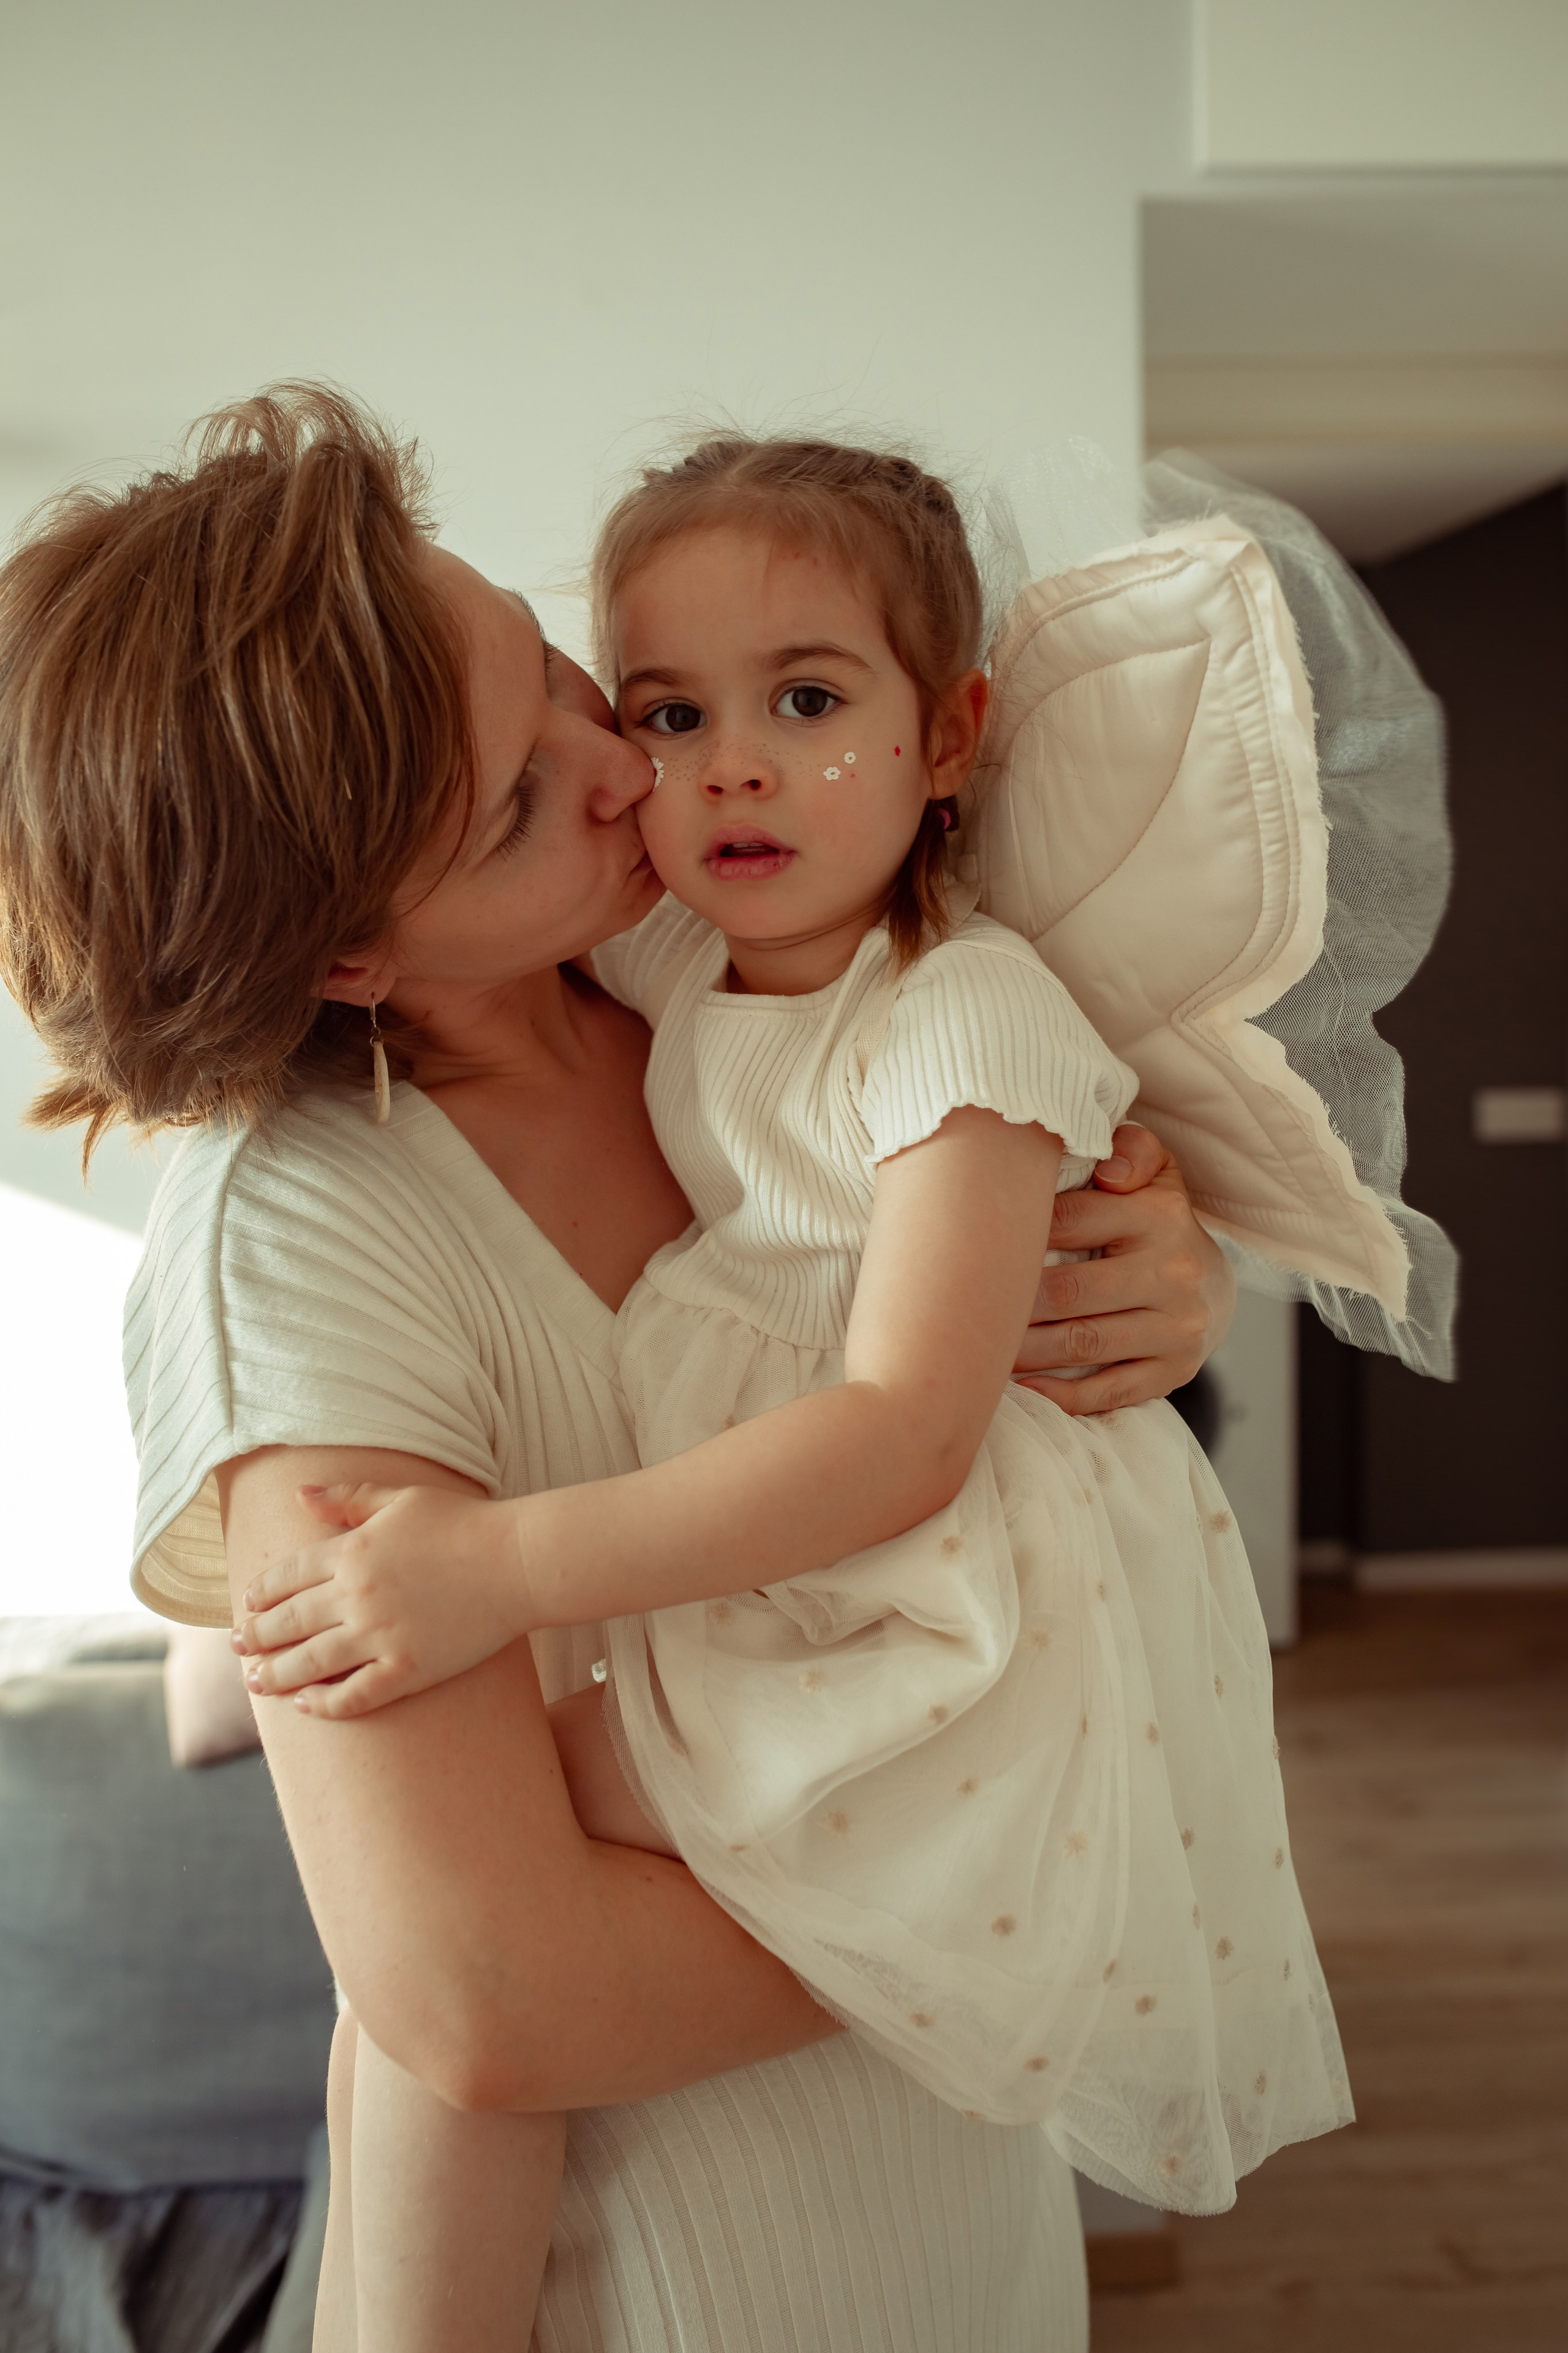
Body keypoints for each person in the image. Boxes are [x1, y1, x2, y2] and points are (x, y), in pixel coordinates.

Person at [0, 387, 1236, 2353]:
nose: (624, 768)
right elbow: (490, 1999)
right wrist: (1034, 1885)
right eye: (514, 800)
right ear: (349, 955)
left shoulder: (708, 978)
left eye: (560, 668)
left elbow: (954, 1277)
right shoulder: (302, 1231)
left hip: (958, 2235)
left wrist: (1146, 1279)